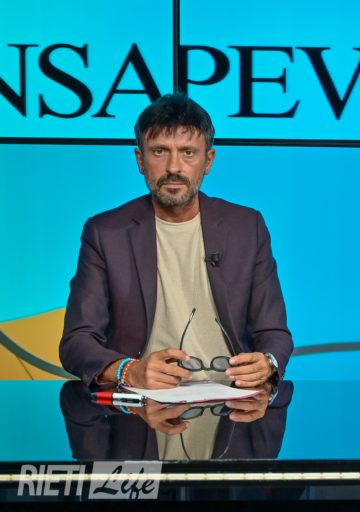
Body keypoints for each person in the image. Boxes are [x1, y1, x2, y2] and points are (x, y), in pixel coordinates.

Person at [59, 93, 292, 389]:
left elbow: (274, 333)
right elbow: (77, 341)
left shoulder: (247, 227)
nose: (173, 167)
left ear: (208, 160)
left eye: (188, 152)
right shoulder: (105, 232)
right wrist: (128, 371)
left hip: (232, 404)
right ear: (140, 160)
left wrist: (267, 363)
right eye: (159, 151)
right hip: (143, 405)